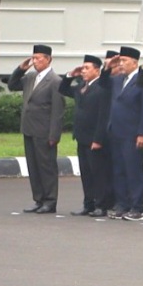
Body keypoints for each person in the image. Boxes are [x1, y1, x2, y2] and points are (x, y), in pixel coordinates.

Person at [9, 45, 64, 214]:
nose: (36, 61)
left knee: (46, 166)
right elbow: (12, 85)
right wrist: (20, 69)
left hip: (45, 130)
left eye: (39, 58)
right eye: (34, 58)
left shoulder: (55, 81)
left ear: (49, 59)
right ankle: (38, 199)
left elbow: (58, 110)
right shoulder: (31, 77)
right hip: (29, 128)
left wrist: (54, 134)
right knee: (33, 166)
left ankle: (50, 200)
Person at [60, 54, 112, 217]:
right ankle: (88, 203)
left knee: (98, 173)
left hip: (94, 138)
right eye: (82, 68)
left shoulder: (102, 87)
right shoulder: (82, 85)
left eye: (87, 68)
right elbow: (63, 89)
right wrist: (69, 76)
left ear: (97, 70)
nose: (83, 71)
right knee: (86, 173)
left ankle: (101, 204)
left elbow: (103, 116)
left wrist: (98, 139)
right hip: (81, 136)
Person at [104, 49, 143, 219]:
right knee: (119, 170)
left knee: (134, 170)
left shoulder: (142, 81)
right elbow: (103, 84)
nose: (121, 64)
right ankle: (122, 204)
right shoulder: (118, 80)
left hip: (133, 133)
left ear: (134, 62)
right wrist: (108, 66)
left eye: (124, 60)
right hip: (116, 131)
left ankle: (137, 207)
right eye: (120, 61)